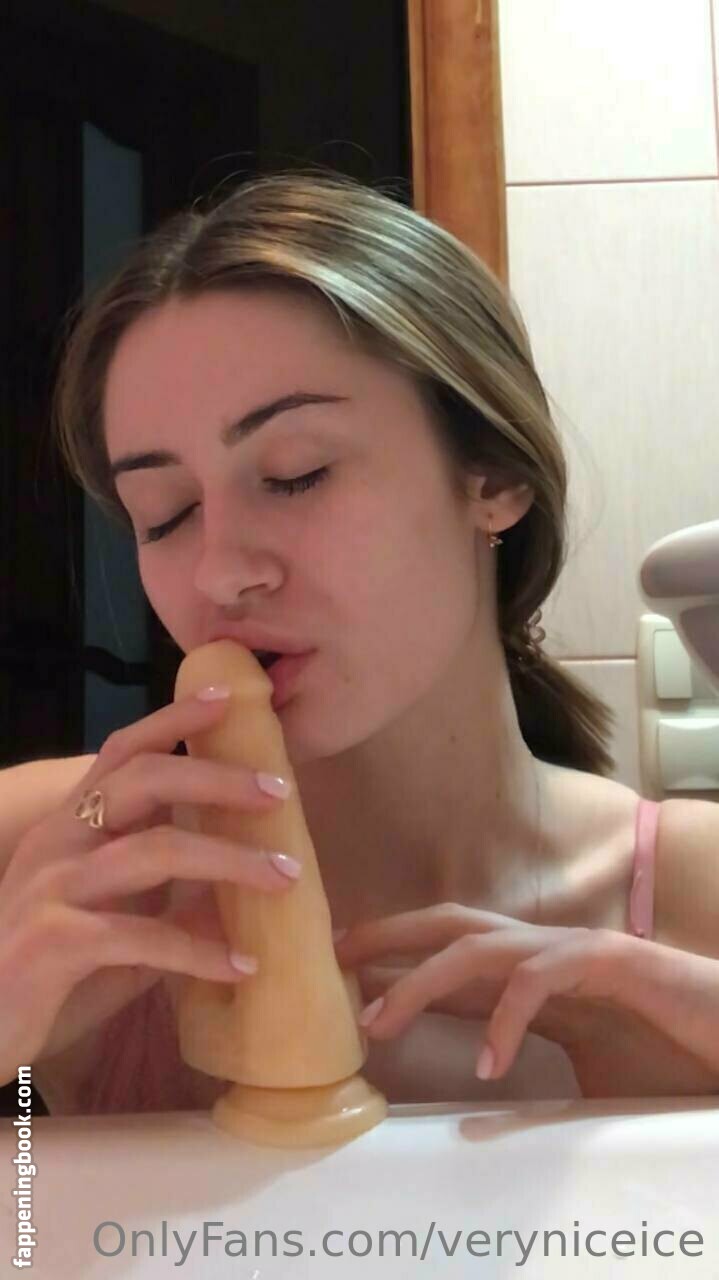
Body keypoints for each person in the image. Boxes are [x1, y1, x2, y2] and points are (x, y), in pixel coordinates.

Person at [2, 169, 719, 1115]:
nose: (219, 573)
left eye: (296, 474)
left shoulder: (689, 888)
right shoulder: (53, 852)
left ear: (492, 476)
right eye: (164, 513)